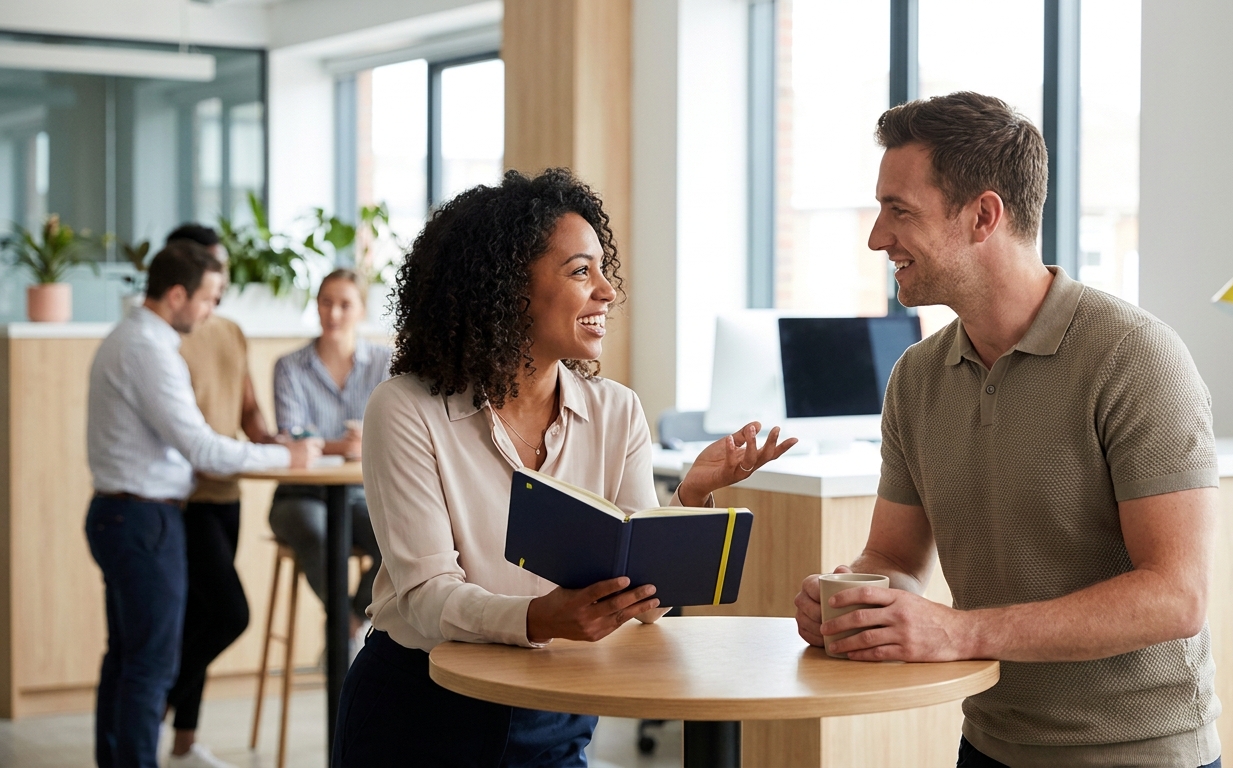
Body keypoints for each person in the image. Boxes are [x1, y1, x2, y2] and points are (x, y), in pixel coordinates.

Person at [792, 92, 1222, 768]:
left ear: (983, 216)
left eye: (899, 211)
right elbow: (895, 559)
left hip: (1138, 754)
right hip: (990, 746)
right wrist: (854, 600)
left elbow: (1175, 595)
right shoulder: (916, 378)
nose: (877, 238)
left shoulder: (1134, 357)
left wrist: (958, 631)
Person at [333, 168, 796, 767]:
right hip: (423, 707)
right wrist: (536, 616)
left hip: (555, 706)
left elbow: (642, 601)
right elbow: (424, 596)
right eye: (581, 271)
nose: (607, 291)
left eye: (603, 270)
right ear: (506, 289)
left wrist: (688, 498)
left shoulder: (617, 411)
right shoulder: (406, 409)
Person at [85, 241, 322, 768]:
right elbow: (202, 447)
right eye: (210, 298)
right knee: (148, 665)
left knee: (126, 659)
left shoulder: (132, 338)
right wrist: (287, 457)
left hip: (126, 514)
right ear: (177, 295)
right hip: (145, 518)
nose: (213, 311)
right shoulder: (148, 350)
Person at [160, 223, 274, 768]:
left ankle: (185, 739)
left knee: (203, 615)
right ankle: (160, 703)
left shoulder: (230, 331)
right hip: (186, 500)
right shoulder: (169, 335)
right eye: (211, 267)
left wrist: (286, 446)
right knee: (225, 613)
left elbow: (249, 413)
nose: (220, 278)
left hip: (229, 495)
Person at [268, 268, 389, 648]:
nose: (333, 314)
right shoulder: (290, 366)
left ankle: (350, 626)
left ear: (360, 310)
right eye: (325, 303)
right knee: (317, 532)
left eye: (344, 304)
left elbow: (399, 432)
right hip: (299, 497)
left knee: (401, 537)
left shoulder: (385, 362)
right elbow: (293, 439)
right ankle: (348, 631)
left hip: (361, 496)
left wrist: (347, 443)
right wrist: (352, 444)